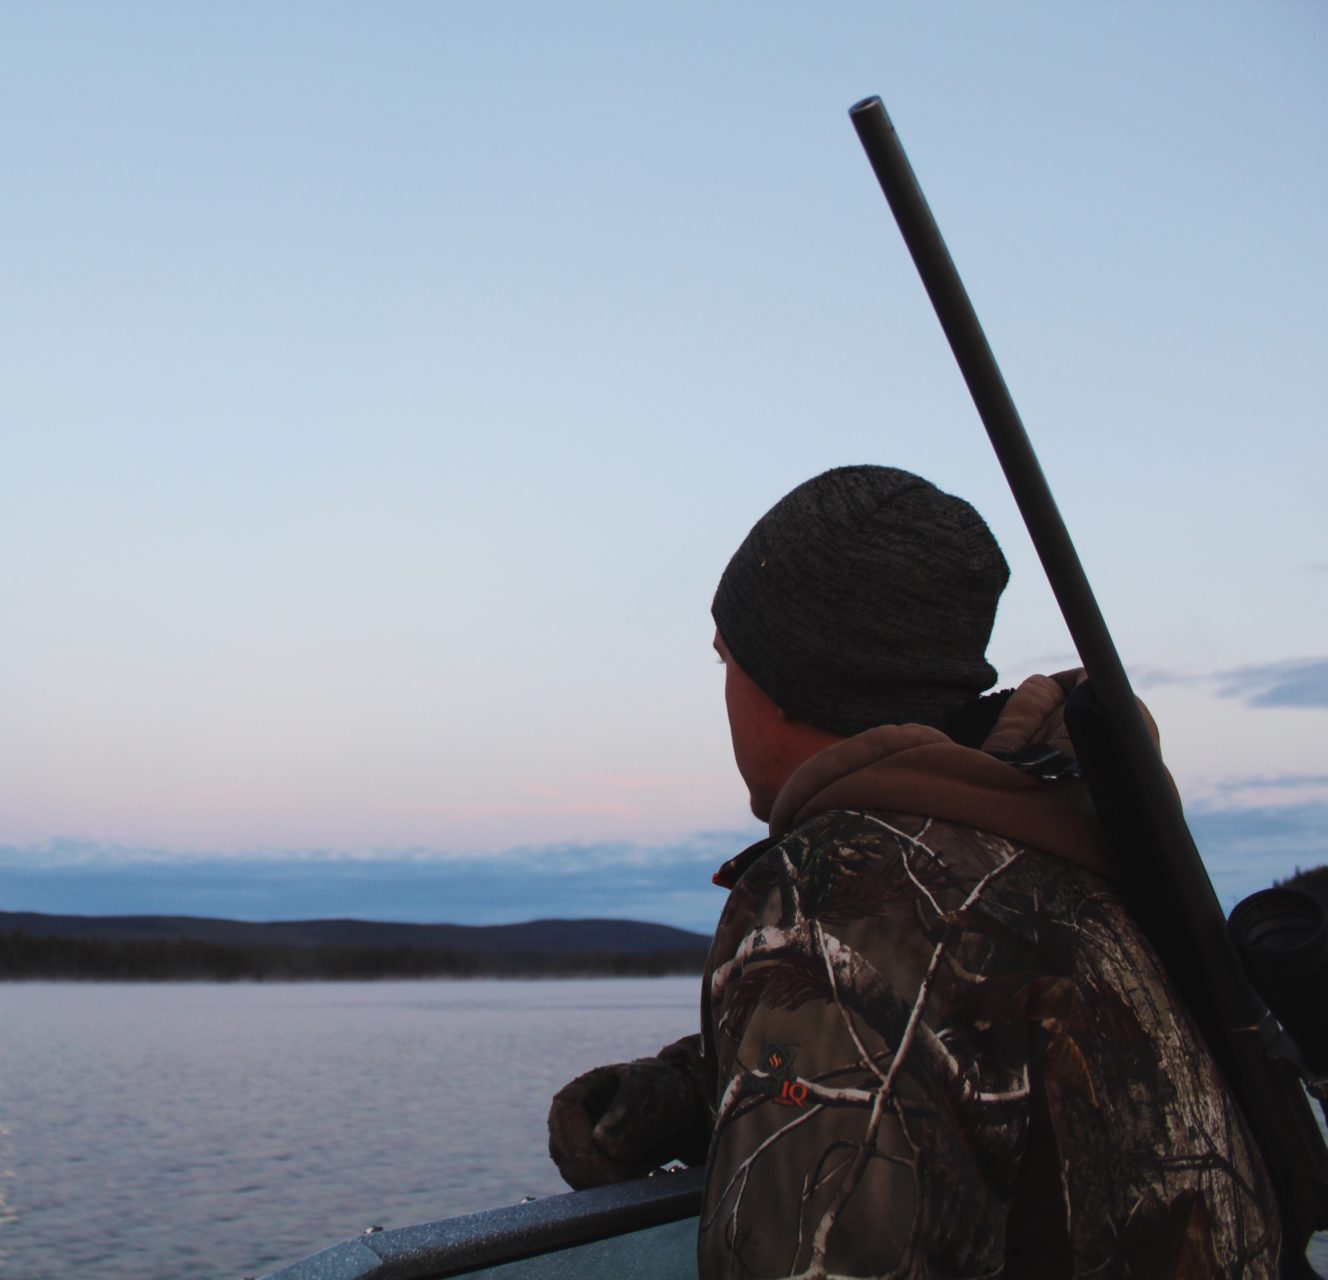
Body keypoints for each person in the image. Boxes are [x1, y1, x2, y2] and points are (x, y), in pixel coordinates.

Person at [547, 465, 1282, 1277]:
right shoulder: (1060, 850)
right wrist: (708, 1091)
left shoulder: (844, 905)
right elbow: (959, 1054)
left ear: (790, 680)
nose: (724, 690)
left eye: (727, 659)